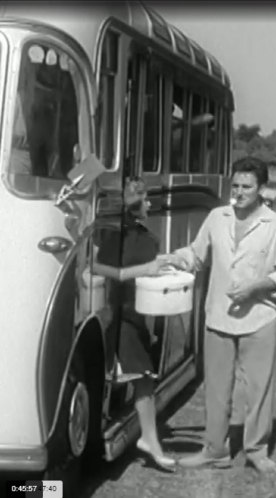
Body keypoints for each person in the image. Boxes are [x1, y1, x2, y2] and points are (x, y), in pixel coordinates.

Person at [164, 157, 276, 473]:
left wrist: (256, 288)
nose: (238, 192)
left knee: (258, 387)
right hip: (218, 317)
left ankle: (256, 450)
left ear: (261, 189)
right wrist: (174, 258)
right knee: (216, 386)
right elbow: (197, 255)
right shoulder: (217, 217)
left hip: (260, 317)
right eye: (235, 185)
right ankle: (214, 449)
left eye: (246, 187)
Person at [92, 177, 177, 473]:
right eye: (146, 199)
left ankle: (147, 439)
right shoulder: (117, 235)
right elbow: (99, 267)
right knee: (143, 378)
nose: (152, 204)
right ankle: (151, 442)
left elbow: (144, 270)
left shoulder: (147, 237)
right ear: (135, 204)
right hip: (118, 313)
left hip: (136, 312)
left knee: (142, 378)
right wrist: (146, 269)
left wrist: (162, 266)